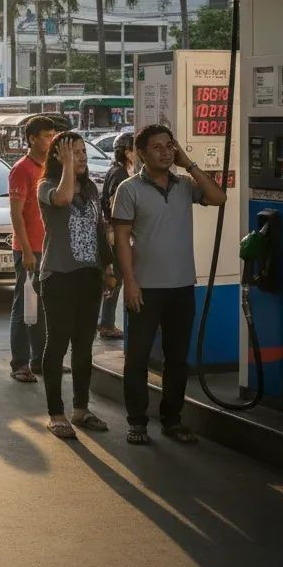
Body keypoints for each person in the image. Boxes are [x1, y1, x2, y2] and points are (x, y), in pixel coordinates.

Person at [112, 124, 227, 446]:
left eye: (169, 146)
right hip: (145, 288)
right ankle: (136, 421)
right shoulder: (129, 189)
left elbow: (219, 198)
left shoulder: (185, 185)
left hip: (181, 287)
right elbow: (121, 238)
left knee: (177, 359)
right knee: (137, 359)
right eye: (158, 147)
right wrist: (130, 283)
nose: (165, 152)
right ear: (142, 153)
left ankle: (172, 419)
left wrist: (188, 162)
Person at [37, 131, 114, 439]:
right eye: (73, 152)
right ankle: (56, 414)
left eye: (82, 152)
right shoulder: (46, 187)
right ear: (58, 157)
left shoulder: (92, 189)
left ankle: (80, 410)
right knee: (57, 345)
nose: (81, 157)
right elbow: (63, 198)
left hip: (88, 277)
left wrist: (107, 269)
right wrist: (68, 166)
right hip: (58, 277)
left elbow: (100, 229)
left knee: (84, 346)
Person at [7, 115, 58, 382]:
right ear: (32, 139)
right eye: (47, 136)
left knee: (43, 307)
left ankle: (40, 360)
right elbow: (16, 214)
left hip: (49, 249)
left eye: (52, 135)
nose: (51, 140)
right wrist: (26, 250)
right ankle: (20, 363)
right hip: (29, 250)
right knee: (24, 306)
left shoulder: (50, 168)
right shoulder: (22, 169)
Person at [97, 131, 135, 339]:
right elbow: (114, 207)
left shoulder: (117, 171)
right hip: (114, 234)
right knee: (115, 278)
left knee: (113, 278)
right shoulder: (120, 175)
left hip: (112, 232)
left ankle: (105, 322)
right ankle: (107, 324)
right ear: (128, 153)